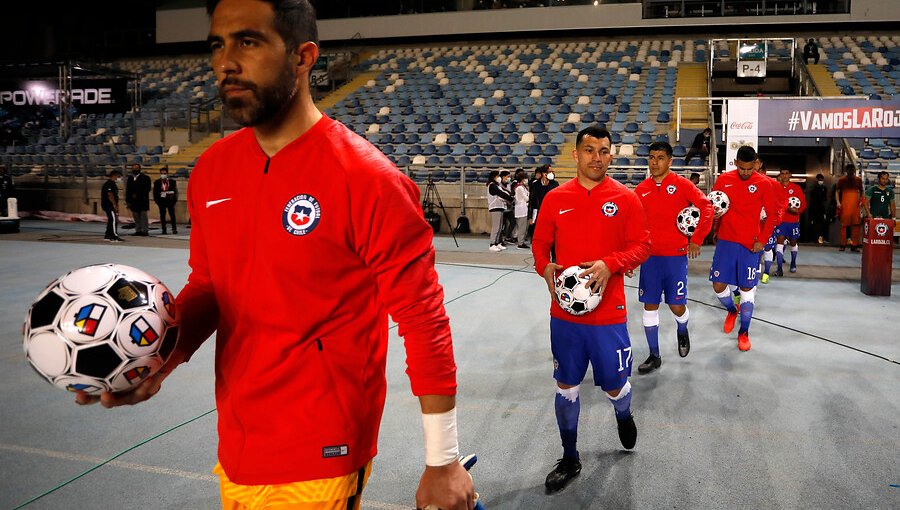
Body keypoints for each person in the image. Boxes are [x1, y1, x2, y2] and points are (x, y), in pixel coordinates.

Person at [75, 1, 476, 509]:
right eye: (217, 45)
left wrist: (443, 459)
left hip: (320, 447)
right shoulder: (212, 171)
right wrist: (159, 358)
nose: (225, 62)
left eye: (248, 41)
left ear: (303, 56)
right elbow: (209, 284)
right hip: (241, 441)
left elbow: (423, 318)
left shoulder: (369, 180)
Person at [532, 125, 651, 494]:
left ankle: (623, 412)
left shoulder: (626, 198)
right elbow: (539, 245)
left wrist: (610, 263)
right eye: (589, 150)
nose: (596, 157)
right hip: (565, 315)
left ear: (611, 156)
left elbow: (642, 245)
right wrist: (545, 267)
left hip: (607, 314)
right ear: (576, 154)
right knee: (566, 384)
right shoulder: (555, 198)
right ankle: (570, 456)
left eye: (603, 150)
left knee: (615, 385)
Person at [631, 141, 713, 374]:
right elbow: (632, 224)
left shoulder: (682, 185)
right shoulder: (641, 190)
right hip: (649, 258)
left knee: (677, 306)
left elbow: (706, 207)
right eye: (651, 157)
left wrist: (697, 238)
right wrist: (630, 258)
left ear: (670, 161)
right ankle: (654, 355)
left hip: (675, 258)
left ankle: (682, 329)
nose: (654, 162)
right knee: (650, 307)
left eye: (660, 158)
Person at [709, 145, 778, 352]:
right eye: (743, 168)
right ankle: (731, 310)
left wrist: (763, 240)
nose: (746, 173)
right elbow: (715, 207)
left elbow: (773, 216)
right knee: (719, 286)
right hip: (726, 241)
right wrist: (715, 227)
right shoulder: (723, 180)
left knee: (747, 289)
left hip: (750, 244)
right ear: (736, 163)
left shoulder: (764, 184)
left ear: (755, 164)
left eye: (750, 169)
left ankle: (744, 332)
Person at [774, 169, 807, 275]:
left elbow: (803, 204)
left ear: (790, 175)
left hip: (793, 221)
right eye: (782, 174)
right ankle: (779, 268)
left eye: (786, 173)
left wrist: (797, 211)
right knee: (779, 242)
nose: (784, 176)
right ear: (780, 175)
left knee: (793, 242)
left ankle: (793, 263)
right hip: (780, 221)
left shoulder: (796, 188)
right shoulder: (775, 187)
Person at [835, 165, 863, 251]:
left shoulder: (858, 180)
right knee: (844, 225)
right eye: (849, 169)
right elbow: (837, 191)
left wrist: (861, 200)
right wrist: (838, 202)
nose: (851, 171)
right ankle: (843, 245)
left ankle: (854, 245)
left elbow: (862, 191)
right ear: (846, 170)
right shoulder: (841, 180)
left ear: (854, 170)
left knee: (856, 225)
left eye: (852, 170)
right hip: (845, 205)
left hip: (855, 205)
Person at [528, 164, 559, 236]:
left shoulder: (554, 184)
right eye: (549, 171)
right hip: (538, 211)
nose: (551, 173)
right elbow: (531, 200)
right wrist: (530, 217)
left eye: (552, 171)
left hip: (551, 212)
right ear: (543, 173)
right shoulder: (535, 184)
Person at [488, 169, 513, 252]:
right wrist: (510, 198)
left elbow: (504, 192)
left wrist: (509, 197)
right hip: (495, 207)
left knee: (499, 226)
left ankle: (498, 242)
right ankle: (492, 243)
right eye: (498, 176)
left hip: (500, 207)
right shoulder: (492, 185)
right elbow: (500, 194)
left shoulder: (497, 185)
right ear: (494, 177)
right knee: (496, 227)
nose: (499, 178)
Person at [125, 163, 151, 236]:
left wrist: (137, 194)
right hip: (133, 201)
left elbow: (147, 189)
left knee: (143, 216)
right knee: (136, 216)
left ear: (139, 169)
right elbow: (128, 190)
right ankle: (138, 230)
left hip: (142, 200)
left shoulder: (146, 178)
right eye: (133, 168)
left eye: (136, 168)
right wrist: (128, 200)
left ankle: (145, 230)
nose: (134, 169)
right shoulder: (130, 178)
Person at [153, 166, 179, 235]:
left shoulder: (172, 181)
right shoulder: (157, 182)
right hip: (161, 201)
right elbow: (155, 193)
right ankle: (164, 230)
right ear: (160, 174)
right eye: (162, 173)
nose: (163, 175)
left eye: (164, 173)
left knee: (172, 215)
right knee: (162, 216)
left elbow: (175, 191)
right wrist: (157, 201)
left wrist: (174, 200)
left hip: (170, 200)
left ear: (167, 173)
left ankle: (174, 229)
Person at [101, 169, 124, 242]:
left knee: (111, 219)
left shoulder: (113, 184)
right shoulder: (109, 184)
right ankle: (114, 235)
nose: (119, 178)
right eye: (119, 176)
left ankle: (108, 235)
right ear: (114, 176)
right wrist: (114, 205)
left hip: (109, 205)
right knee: (113, 219)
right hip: (109, 205)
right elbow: (110, 194)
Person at [808, 173, 830, 244]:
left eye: (822, 180)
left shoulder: (824, 188)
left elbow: (825, 199)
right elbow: (812, 199)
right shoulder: (814, 188)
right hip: (814, 208)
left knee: (822, 224)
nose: (821, 181)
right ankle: (814, 238)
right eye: (819, 180)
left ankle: (821, 238)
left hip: (821, 209)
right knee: (814, 224)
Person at [514, 169, 530, 249]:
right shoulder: (519, 188)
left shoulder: (523, 187)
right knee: (522, 227)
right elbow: (526, 198)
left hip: (524, 209)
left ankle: (521, 241)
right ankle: (520, 243)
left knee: (524, 227)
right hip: (521, 209)